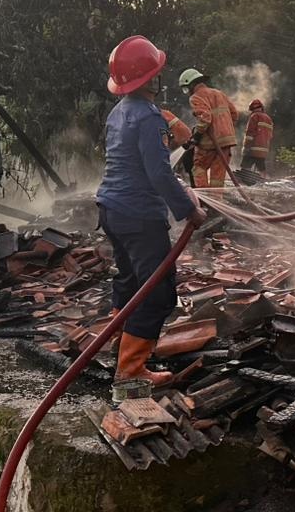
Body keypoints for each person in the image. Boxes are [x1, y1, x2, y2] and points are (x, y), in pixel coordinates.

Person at [96, 36, 207, 389]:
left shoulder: (119, 112)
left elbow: (141, 166)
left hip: (112, 209)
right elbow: (158, 173)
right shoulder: (148, 117)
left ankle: (117, 344)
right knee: (156, 292)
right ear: (152, 79)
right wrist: (189, 210)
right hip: (139, 216)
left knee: (129, 280)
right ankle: (129, 373)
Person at [178, 68, 239, 188]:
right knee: (218, 175)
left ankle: (204, 198)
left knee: (199, 168)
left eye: (186, 89)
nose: (187, 92)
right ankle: (216, 201)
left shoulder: (196, 97)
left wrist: (197, 136)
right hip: (226, 141)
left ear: (192, 84)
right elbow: (234, 114)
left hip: (209, 142)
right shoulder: (219, 93)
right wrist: (224, 128)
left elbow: (205, 117)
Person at [241, 99, 274, 176]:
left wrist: (246, 147)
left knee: (245, 165)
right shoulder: (268, 119)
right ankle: (264, 180)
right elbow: (270, 135)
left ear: (252, 109)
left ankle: (245, 179)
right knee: (261, 166)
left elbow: (250, 133)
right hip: (264, 149)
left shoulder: (254, 116)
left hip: (253, 147)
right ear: (261, 107)